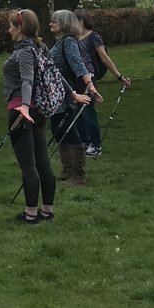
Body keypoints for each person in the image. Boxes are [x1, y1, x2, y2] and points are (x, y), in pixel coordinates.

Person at [2, 10, 90, 223]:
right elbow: (56, 73)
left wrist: (23, 106)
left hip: (22, 112)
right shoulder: (40, 48)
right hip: (40, 112)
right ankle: (47, 211)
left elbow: (27, 80)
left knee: (28, 165)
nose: (9, 30)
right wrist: (73, 94)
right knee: (43, 161)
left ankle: (30, 214)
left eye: (11, 26)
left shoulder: (24, 51)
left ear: (20, 28)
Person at [49, 10, 103, 185]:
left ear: (64, 23)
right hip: (56, 91)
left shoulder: (69, 42)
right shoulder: (59, 42)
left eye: (54, 21)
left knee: (68, 130)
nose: (50, 24)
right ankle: (67, 171)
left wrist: (90, 85)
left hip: (67, 91)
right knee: (59, 130)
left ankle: (78, 175)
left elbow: (78, 64)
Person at [74, 10, 131, 158]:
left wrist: (119, 76)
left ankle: (96, 144)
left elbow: (104, 58)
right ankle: (84, 142)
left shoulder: (94, 37)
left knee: (87, 111)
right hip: (75, 78)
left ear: (83, 20)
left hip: (89, 77)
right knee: (77, 112)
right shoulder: (72, 38)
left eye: (76, 19)